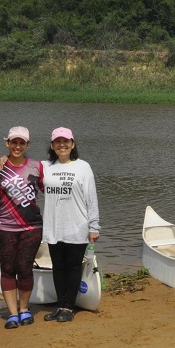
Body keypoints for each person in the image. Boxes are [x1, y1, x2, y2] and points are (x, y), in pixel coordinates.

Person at [41, 127, 101, 321]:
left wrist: (94, 226)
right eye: (57, 142)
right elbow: (19, 166)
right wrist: (3, 159)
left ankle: (68, 307)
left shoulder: (83, 167)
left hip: (77, 226)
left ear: (73, 144)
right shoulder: (44, 166)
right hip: (53, 226)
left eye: (66, 141)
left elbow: (91, 199)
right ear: (52, 146)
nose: (62, 145)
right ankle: (60, 305)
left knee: (73, 267)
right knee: (58, 267)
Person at [0, 127, 44, 328]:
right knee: (7, 269)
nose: (17, 146)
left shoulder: (37, 166)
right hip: (5, 226)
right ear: (7, 143)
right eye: (14, 142)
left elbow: (53, 188)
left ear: (27, 145)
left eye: (22, 143)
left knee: (24, 268)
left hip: (32, 227)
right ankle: (12, 313)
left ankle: (24, 309)